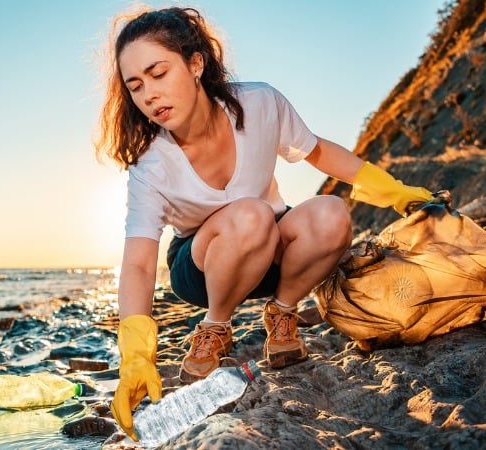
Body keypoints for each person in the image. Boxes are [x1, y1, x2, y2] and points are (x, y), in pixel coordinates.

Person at [94, 6, 433, 441]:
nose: (149, 95)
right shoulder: (150, 163)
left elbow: (317, 152)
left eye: (158, 73)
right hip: (200, 267)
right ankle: (215, 328)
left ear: (195, 63)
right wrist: (135, 356)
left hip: (273, 247)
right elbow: (139, 264)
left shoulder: (258, 103)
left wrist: (395, 192)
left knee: (330, 213)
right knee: (250, 213)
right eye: (135, 86)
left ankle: (283, 312)